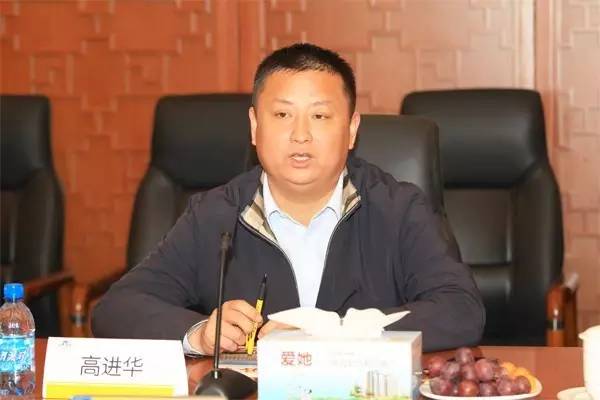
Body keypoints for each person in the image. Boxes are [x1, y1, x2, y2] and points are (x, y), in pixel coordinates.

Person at [92, 43, 485, 352]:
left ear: (351, 130)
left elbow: (461, 310)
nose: (300, 135)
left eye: (320, 116)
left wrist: (334, 333)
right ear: (254, 126)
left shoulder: (398, 208)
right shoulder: (215, 215)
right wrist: (199, 333)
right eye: (282, 115)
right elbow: (118, 307)